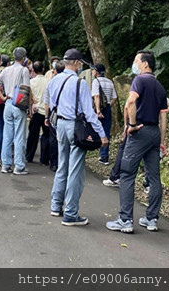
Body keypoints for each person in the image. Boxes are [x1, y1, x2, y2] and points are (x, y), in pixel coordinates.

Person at [106, 50, 168, 233]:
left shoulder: (139, 80)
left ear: (145, 64)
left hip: (139, 132)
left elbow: (130, 103)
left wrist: (131, 125)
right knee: (154, 177)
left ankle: (125, 220)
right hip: (154, 133)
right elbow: (164, 118)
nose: (135, 65)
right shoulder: (160, 86)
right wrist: (162, 142)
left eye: (136, 61)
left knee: (126, 174)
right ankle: (151, 219)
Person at [47, 49, 108, 226]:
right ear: (76, 63)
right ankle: (71, 213)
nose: (81, 66)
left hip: (60, 125)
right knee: (75, 170)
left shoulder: (54, 81)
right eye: (80, 63)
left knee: (62, 166)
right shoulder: (79, 83)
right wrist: (102, 135)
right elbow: (89, 113)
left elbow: (52, 105)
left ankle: (56, 205)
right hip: (75, 126)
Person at [0, 47, 31, 175]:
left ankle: (6, 164)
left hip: (7, 103)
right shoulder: (24, 70)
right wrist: (29, 108)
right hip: (18, 104)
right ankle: (19, 166)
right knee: (19, 136)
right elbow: (26, 90)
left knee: (7, 135)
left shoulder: (6, 70)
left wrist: (2, 97)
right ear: (24, 57)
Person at [91, 64, 117, 165]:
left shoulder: (96, 81)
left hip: (99, 109)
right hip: (107, 108)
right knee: (106, 130)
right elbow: (114, 97)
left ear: (97, 72)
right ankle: (104, 156)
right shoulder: (110, 82)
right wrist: (108, 105)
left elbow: (96, 96)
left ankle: (96, 150)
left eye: (93, 70)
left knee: (97, 129)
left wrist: (97, 110)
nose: (92, 72)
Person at [26, 62, 50, 164]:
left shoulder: (31, 82)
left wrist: (29, 111)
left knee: (33, 135)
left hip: (35, 111)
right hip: (46, 111)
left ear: (33, 71)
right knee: (46, 135)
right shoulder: (49, 82)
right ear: (43, 69)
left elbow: (29, 98)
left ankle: (29, 156)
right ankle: (44, 159)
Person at [43, 60, 65, 171]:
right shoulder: (70, 81)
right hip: (66, 112)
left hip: (54, 112)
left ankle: (54, 163)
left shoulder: (50, 83)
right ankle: (63, 162)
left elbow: (46, 102)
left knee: (53, 138)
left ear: (55, 70)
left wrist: (46, 117)